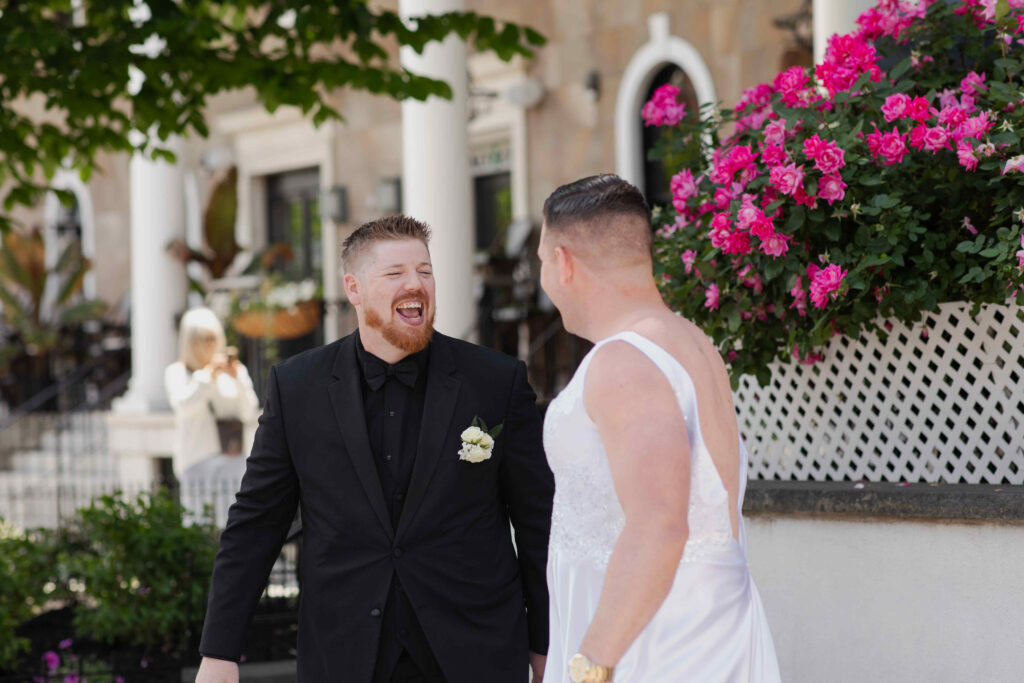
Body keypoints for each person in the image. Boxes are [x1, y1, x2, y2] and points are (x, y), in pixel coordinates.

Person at [195, 215, 554, 683]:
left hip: (475, 651)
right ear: (354, 288)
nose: (416, 284)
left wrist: (546, 641)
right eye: (395, 274)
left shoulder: (495, 381)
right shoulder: (297, 386)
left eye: (424, 271)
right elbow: (256, 522)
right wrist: (219, 650)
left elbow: (538, 523)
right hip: (344, 654)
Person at [537, 175, 780, 682]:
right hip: (700, 625)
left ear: (563, 262)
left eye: (541, 261)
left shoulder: (622, 361)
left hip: (653, 645)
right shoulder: (690, 341)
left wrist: (592, 667)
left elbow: (659, 524)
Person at [165, 307, 259, 527]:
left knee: (233, 524)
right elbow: (183, 405)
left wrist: (237, 379)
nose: (209, 344)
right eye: (203, 339)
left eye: (213, 338)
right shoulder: (178, 372)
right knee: (197, 522)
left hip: (232, 460)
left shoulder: (234, 372)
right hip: (196, 459)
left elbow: (249, 411)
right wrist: (208, 376)